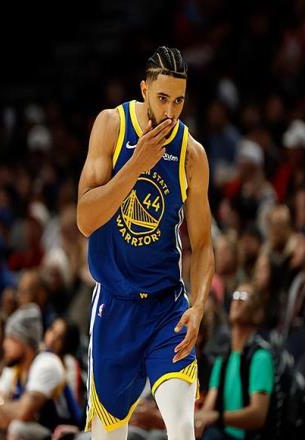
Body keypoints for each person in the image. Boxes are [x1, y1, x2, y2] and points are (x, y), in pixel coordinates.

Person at [77, 46, 214, 439]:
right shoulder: (111, 126)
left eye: (179, 101)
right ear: (144, 90)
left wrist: (199, 306)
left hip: (165, 307)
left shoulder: (191, 154)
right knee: (108, 435)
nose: (170, 112)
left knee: (182, 427)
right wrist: (136, 165)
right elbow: (85, 220)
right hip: (114, 307)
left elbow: (203, 244)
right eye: (162, 98)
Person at [0, 303, 66, 440]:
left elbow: (23, 412)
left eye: (11, 339)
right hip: (25, 428)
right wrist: (8, 409)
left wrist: (3, 407)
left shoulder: (47, 363)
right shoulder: (14, 367)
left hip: (58, 433)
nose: (5, 344)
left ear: (24, 342)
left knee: (17, 428)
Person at [195, 283, 274, 439]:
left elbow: (258, 415)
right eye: (235, 296)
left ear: (258, 313)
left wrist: (218, 417)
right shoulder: (223, 358)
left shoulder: (260, 357)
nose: (237, 301)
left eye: (244, 297)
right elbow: (207, 410)